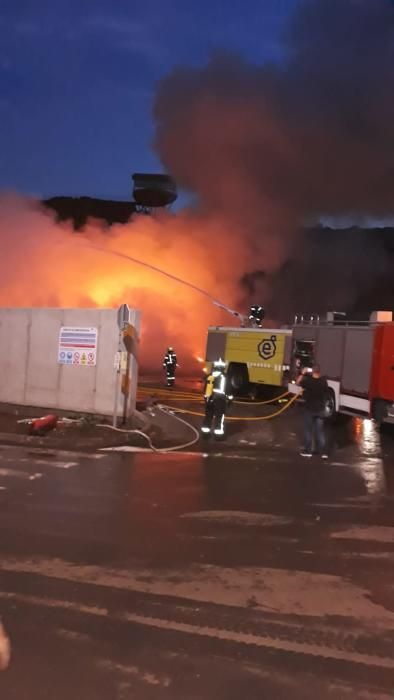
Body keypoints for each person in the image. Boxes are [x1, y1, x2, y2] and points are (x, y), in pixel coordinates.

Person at [297, 364, 329, 458]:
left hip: (309, 409)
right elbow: (326, 392)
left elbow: (298, 382)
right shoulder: (324, 381)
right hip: (320, 410)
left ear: (312, 371)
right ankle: (323, 452)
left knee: (308, 430)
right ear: (319, 371)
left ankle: (308, 451)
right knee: (320, 431)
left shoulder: (309, 381)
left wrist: (302, 373)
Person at [201, 359, 233, 439]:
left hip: (209, 399)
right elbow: (228, 390)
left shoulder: (210, 376)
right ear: (223, 367)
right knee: (219, 417)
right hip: (220, 400)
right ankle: (218, 435)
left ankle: (205, 434)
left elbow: (205, 389)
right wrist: (230, 399)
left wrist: (206, 399)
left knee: (208, 416)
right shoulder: (224, 377)